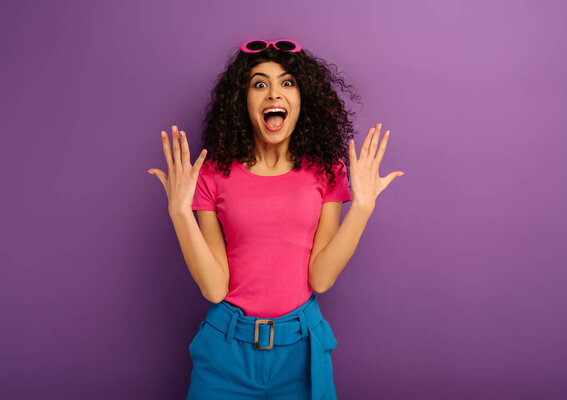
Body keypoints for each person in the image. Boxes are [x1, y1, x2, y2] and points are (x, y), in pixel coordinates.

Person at [148, 39, 404, 400]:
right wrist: (179, 212)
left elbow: (321, 277)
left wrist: (362, 207)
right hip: (225, 352)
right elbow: (214, 288)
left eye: (286, 83)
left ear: (302, 99)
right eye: (259, 84)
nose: (273, 95)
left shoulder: (326, 172)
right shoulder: (212, 175)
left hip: (301, 352)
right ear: (244, 100)